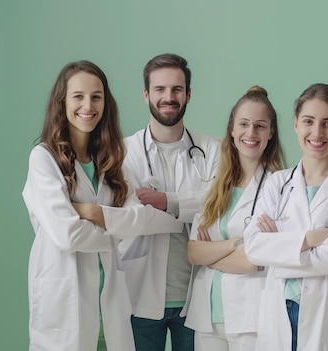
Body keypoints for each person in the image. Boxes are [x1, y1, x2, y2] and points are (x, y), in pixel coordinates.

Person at [22, 61, 183, 350]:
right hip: (64, 303)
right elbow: (67, 234)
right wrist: (114, 231)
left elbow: (137, 218)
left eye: (96, 97)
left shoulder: (109, 161)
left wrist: (91, 212)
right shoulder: (43, 158)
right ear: (63, 102)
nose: (88, 105)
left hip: (108, 305)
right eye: (78, 96)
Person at [243, 83, 328, 351]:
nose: (317, 132)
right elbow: (254, 248)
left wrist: (279, 250)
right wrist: (311, 239)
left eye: (327, 123)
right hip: (279, 311)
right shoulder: (277, 183)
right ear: (295, 124)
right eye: (308, 121)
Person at [118, 53, 221, 351]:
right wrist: (192, 208)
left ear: (188, 94)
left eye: (177, 89)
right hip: (139, 294)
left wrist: (166, 202)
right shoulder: (124, 152)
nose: (169, 97)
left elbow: (219, 206)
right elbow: (130, 216)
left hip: (195, 299)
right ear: (146, 94)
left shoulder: (212, 150)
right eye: (160, 89)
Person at [184, 86, 286, 351]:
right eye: (243, 124)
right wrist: (235, 244)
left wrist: (212, 255)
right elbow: (194, 252)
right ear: (231, 129)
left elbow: (256, 261)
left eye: (260, 126)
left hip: (251, 316)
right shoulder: (217, 184)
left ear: (271, 133)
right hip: (207, 315)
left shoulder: (280, 186)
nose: (250, 133)